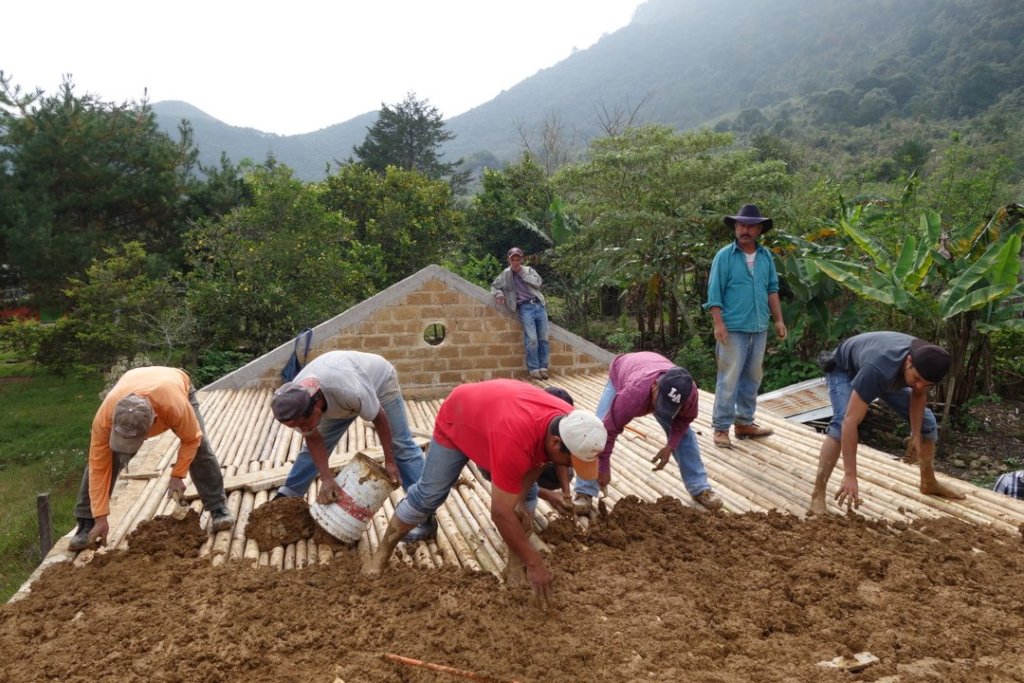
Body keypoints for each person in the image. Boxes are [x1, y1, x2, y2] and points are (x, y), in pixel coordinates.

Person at [361, 379, 606, 606]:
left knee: (527, 496)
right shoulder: (516, 438)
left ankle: (514, 567)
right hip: (459, 419)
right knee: (430, 494)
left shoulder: (571, 423)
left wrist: (519, 499)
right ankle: (383, 551)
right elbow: (499, 513)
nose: (571, 466)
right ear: (555, 443)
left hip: (497, 421)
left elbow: (539, 462)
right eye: (571, 460)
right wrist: (536, 562)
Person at [270, 350, 435, 541]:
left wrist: (390, 461)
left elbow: (379, 418)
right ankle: (287, 497)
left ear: (316, 406)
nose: (301, 428)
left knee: (401, 446)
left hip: (378, 381)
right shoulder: (295, 406)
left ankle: (424, 517)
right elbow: (314, 439)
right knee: (311, 448)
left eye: (303, 423)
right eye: (296, 426)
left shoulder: (348, 391)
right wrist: (326, 478)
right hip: (340, 396)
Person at [69, 366, 234, 551]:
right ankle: (87, 522)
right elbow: (98, 467)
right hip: (135, 382)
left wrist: (178, 475)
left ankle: (217, 506)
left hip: (175, 386)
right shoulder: (105, 417)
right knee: (105, 457)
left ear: (153, 423)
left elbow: (191, 439)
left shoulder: (174, 406)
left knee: (201, 448)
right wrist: (100, 516)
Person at [808, 332, 966, 515]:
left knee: (927, 423)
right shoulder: (879, 368)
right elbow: (850, 422)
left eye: (927, 384)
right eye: (916, 379)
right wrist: (850, 475)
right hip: (845, 368)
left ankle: (928, 482)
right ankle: (818, 493)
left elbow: (918, 394)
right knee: (840, 423)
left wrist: (915, 434)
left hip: (886, 373)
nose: (920, 386)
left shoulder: (927, 360)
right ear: (908, 362)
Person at [573, 351, 724, 514]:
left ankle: (700, 488)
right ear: (654, 386)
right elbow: (608, 431)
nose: (661, 410)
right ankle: (585, 491)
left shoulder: (688, 394)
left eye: (669, 407)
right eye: (660, 403)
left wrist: (670, 446)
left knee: (685, 436)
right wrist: (603, 468)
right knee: (597, 430)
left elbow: (683, 420)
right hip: (623, 371)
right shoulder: (634, 393)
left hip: (652, 370)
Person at [704, 204, 787, 449]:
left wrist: (779, 320)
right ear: (735, 228)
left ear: (759, 229)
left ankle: (744, 423)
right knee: (728, 378)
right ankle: (721, 428)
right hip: (732, 328)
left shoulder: (765, 256)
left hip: (759, 327)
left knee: (752, 376)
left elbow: (772, 289)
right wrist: (718, 323)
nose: (745, 230)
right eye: (741, 225)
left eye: (750, 226)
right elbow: (714, 293)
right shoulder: (724, 257)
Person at [491, 246, 551, 379]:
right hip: (525, 308)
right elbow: (494, 286)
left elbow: (538, 283)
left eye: (518, 259)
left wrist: (522, 274)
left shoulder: (529, 270)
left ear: (521, 260)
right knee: (532, 339)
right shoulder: (505, 274)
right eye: (513, 260)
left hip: (539, 306)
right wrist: (499, 294)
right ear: (509, 260)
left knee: (544, 338)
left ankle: (543, 367)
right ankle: (534, 369)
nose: (516, 262)